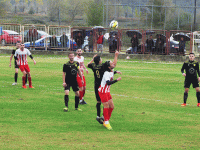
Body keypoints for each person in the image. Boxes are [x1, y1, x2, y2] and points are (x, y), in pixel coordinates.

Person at [87, 51, 119, 124]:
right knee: (106, 104)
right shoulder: (103, 66)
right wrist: (116, 56)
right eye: (101, 59)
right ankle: (105, 118)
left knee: (98, 101)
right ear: (100, 61)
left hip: (96, 85)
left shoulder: (93, 66)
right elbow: (113, 65)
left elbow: (88, 64)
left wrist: (92, 59)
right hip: (103, 85)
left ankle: (98, 116)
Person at [98, 60, 122, 130]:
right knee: (106, 106)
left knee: (112, 106)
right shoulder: (106, 73)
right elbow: (108, 83)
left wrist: (116, 72)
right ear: (109, 67)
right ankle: (106, 122)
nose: (113, 63)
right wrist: (117, 80)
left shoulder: (111, 71)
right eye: (111, 63)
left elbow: (111, 73)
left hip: (107, 91)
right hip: (103, 91)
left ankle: (105, 119)